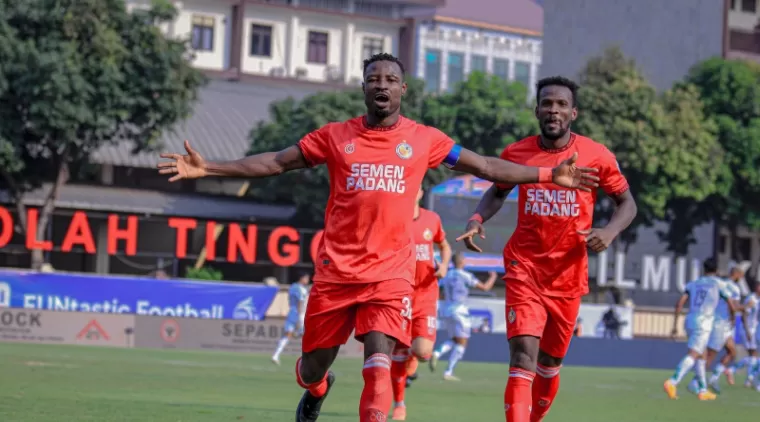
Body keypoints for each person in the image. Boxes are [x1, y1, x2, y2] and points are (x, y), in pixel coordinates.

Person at [157, 54, 600, 422]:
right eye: (373, 79)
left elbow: (486, 166)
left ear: (403, 90)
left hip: (391, 274)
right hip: (335, 273)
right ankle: (318, 387)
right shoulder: (333, 137)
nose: (382, 85)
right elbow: (275, 162)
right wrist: (209, 167)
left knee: (379, 361)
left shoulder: (424, 140)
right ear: (364, 88)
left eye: (390, 79)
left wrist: (546, 174)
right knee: (312, 365)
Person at [455, 76, 637, 422]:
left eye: (561, 104)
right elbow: (497, 191)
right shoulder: (517, 153)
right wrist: (477, 217)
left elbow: (627, 203)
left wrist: (610, 231)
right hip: (525, 267)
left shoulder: (597, 155)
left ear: (574, 113)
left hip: (568, 275)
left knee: (549, 364)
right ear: (537, 109)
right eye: (547, 103)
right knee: (523, 356)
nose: (554, 110)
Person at [389, 186, 451, 421]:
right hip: (398, 295)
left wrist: (444, 266)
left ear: (421, 193)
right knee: (398, 353)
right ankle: (399, 404)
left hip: (426, 294)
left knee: (423, 351)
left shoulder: (432, 219)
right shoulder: (393, 219)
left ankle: (415, 355)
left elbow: (444, 245)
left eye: (416, 188)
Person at [664, 258, 735, 401]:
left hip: (690, 319)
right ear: (716, 270)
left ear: (704, 269)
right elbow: (731, 304)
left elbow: (680, 303)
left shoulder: (693, 284)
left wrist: (674, 325)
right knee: (694, 354)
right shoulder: (719, 284)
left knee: (702, 356)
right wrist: (732, 318)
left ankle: (702, 390)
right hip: (704, 322)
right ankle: (673, 381)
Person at [429, 252, 496, 381]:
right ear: (461, 262)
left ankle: (437, 352)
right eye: (464, 259)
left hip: (447, 310)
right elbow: (485, 288)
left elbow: (439, 290)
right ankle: (448, 372)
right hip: (460, 310)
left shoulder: (447, 275)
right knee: (463, 342)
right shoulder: (465, 275)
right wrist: (493, 277)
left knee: (455, 339)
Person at [698, 264, 744, 393]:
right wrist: (744, 308)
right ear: (737, 274)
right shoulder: (734, 288)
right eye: (741, 275)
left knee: (732, 351)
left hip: (720, 321)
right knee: (711, 354)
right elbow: (733, 306)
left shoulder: (721, 283)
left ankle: (714, 377)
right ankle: (698, 381)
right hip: (722, 323)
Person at [272, 272, 311, 365]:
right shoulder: (299, 288)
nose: (307, 280)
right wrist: (301, 316)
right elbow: (300, 302)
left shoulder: (295, 287)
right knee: (303, 336)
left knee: (290, 334)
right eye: (306, 278)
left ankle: (276, 355)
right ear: (301, 278)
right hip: (298, 313)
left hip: (293, 313)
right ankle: (308, 358)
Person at [728, 280, 760, 387]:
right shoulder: (751, 299)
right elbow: (744, 315)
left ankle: (748, 379)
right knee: (753, 355)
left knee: (754, 356)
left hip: (755, 329)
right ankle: (746, 377)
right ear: (756, 288)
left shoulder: (758, 299)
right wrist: (747, 331)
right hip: (749, 329)